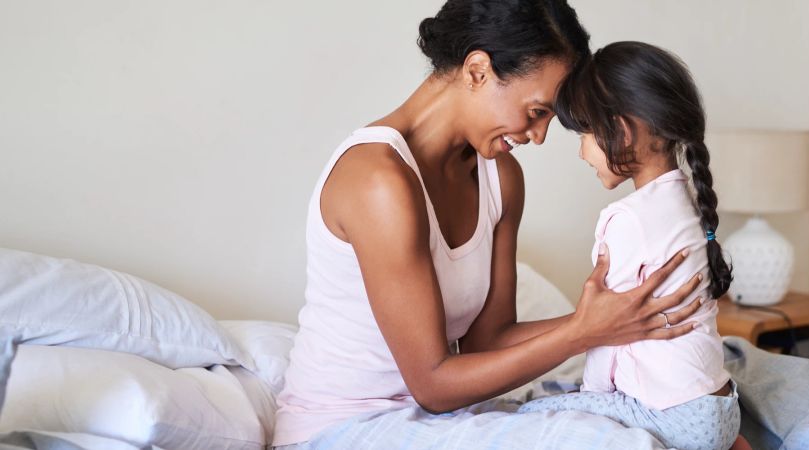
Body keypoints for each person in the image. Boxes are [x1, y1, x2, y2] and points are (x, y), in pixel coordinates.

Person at [272, 2, 705, 448]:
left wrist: (613, 317)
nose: (537, 136)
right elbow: (434, 385)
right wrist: (584, 333)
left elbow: (488, 342)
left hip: (440, 422)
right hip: (344, 428)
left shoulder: (501, 177)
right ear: (478, 71)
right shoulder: (378, 180)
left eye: (549, 120)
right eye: (536, 111)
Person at [518, 41, 743, 450]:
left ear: (621, 130)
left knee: (526, 415)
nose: (582, 150)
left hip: (677, 416)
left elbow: (605, 334)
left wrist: (589, 403)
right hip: (722, 410)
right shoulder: (692, 205)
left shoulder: (626, 220)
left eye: (584, 132)